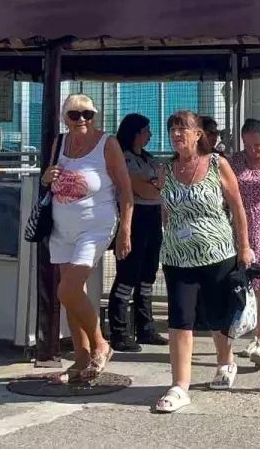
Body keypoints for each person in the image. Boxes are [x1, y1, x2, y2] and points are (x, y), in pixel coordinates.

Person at [154, 111, 254, 412]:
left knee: (217, 315)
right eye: (172, 129)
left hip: (217, 253)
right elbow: (165, 212)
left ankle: (226, 361)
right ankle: (179, 386)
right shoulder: (166, 170)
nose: (176, 134)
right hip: (178, 257)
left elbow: (237, 207)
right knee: (180, 318)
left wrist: (244, 247)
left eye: (182, 129)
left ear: (198, 134)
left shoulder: (216, 164)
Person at [41, 94, 134, 384]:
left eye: (88, 114)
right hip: (62, 228)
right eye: (75, 115)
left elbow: (125, 190)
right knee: (72, 294)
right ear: (64, 118)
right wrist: (46, 178)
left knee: (67, 290)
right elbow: (49, 182)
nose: (82, 120)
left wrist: (125, 229)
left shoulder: (107, 143)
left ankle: (100, 344)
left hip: (95, 226)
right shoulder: (60, 142)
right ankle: (81, 359)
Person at [106, 113, 168, 352]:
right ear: (134, 133)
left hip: (153, 218)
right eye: (146, 131)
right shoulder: (123, 158)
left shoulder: (149, 159)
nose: (150, 135)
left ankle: (146, 328)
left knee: (148, 275)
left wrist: (153, 186)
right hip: (134, 218)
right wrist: (153, 185)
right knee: (127, 274)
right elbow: (144, 189)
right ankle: (120, 332)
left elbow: (160, 187)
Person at [229, 119, 260, 368]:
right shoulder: (236, 161)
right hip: (240, 229)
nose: (252, 151)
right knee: (243, 284)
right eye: (247, 145)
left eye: (257, 145)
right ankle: (251, 332)